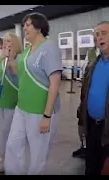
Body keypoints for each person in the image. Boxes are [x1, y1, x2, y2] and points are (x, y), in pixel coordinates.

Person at [4, 12, 62, 175]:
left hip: (40, 110)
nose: (25, 29)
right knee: (13, 145)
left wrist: (47, 116)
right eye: (24, 26)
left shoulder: (50, 47)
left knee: (38, 154)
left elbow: (55, 84)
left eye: (28, 25)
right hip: (22, 108)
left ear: (39, 27)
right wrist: (10, 60)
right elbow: (20, 74)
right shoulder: (27, 51)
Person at [0, 32, 22, 173]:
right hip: (1, 101)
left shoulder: (19, 59)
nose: (7, 43)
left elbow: (23, 81)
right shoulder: (2, 60)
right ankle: (3, 157)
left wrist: (12, 64)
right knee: (3, 133)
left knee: (11, 135)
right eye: (5, 41)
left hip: (13, 102)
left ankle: (10, 161)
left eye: (9, 41)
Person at [79, 21, 109, 175]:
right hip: (92, 127)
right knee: (91, 166)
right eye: (96, 34)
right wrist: (81, 120)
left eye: (104, 33)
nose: (99, 37)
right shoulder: (93, 65)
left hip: (107, 129)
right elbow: (84, 94)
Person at [72, 36, 100, 159]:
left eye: (103, 34)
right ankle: (84, 147)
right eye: (96, 36)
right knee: (82, 122)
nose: (97, 39)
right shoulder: (91, 52)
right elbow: (87, 68)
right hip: (87, 94)